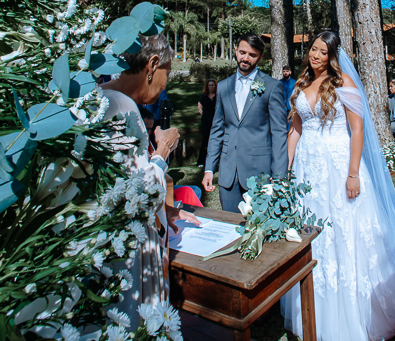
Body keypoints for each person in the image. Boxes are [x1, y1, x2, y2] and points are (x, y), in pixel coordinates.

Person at [283, 32, 395, 341]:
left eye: (322, 51)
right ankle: (314, 304)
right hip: (308, 166)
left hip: (338, 163)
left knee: (346, 230)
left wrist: (353, 173)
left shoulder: (343, 80)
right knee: (312, 232)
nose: (315, 55)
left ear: (332, 55)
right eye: (313, 49)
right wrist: (288, 170)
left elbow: (357, 128)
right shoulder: (302, 83)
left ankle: (358, 311)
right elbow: (296, 129)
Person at [98, 34, 200, 322]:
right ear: (153, 65)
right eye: (167, 73)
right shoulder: (121, 107)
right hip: (131, 253)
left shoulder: (100, 97)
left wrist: (166, 209)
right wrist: (163, 151)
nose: (166, 83)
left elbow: (119, 182)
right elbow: (139, 193)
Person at [202, 34, 288, 213]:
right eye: (242, 52)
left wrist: (279, 176)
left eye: (252, 55)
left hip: (259, 173)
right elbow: (217, 129)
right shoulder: (224, 86)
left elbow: (279, 133)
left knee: (259, 232)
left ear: (260, 57)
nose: (245, 58)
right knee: (228, 230)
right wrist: (209, 168)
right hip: (228, 174)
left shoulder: (272, 86)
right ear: (236, 51)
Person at [196, 78, 217, 166]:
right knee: (205, 140)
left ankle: (215, 161)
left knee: (215, 140)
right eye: (209, 85)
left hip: (215, 120)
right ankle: (201, 161)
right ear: (207, 86)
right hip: (206, 120)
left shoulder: (218, 96)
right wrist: (201, 112)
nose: (211, 87)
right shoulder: (203, 96)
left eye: (212, 85)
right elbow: (200, 106)